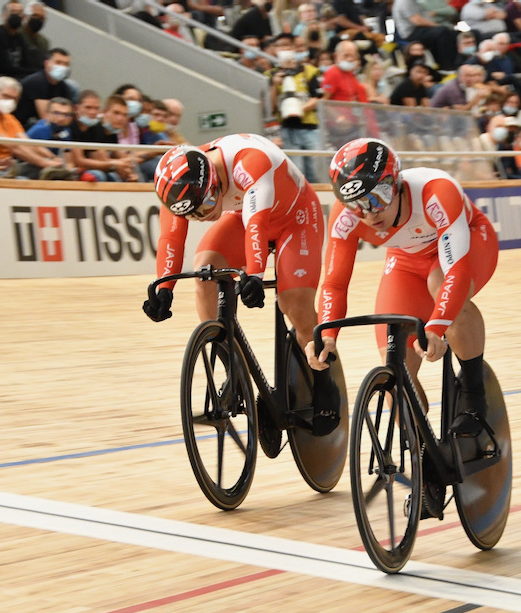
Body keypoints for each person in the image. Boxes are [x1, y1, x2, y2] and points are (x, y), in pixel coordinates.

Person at [146, 136, 341, 433]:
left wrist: (255, 275)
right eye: (192, 213)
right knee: (205, 271)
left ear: (214, 179)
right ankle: (232, 367)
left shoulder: (249, 161)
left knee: (294, 303)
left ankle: (324, 381)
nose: (202, 216)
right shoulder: (177, 186)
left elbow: (257, 225)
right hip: (245, 215)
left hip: (295, 217)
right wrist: (164, 289)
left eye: (208, 203)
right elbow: (171, 239)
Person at [309, 138, 498, 441]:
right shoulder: (346, 218)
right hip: (406, 260)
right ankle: (426, 457)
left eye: (377, 198)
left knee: (441, 283)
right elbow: (333, 283)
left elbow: (457, 273)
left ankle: (475, 392)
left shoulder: (436, 191)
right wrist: (327, 337)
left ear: (396, 183)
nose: (369, 214)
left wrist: (437, 326)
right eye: (356, 205)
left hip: (469, 246)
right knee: (396, 376)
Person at [0, 74, 65, 177]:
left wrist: (52, 158)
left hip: (10, 166)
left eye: (14, 99)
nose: (9, 102)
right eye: (6, 96)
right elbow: (15, 147)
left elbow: (27, 143)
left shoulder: (8, 117)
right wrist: (45, 163)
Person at [67, 91, 136, 181]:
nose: (93, 112)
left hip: (88, 169)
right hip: (71, 170)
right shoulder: (73, 126)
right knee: (102, 175)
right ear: (76, 109)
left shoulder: (92, 127)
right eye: (88, 108)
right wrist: (114, 164)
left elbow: (118, 157)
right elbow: (80, 162)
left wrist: (129, 170)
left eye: (96, 108)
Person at [393, 0, 458, 70]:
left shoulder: (414, 2)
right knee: (442, 32)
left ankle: (450, 63)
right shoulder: (405, 1)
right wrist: (437, 26)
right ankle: (448, 67)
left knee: (451, 33)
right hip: (412, 33)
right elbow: (418, 21)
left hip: (420, 30)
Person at [16, 46, 72, 127]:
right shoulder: (37, 81)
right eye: (58, 62)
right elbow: (46, 117)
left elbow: (69, 116)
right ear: (46, 64)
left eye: (66, 64)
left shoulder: (64, 86)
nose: (62, 67)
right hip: (22, 125)